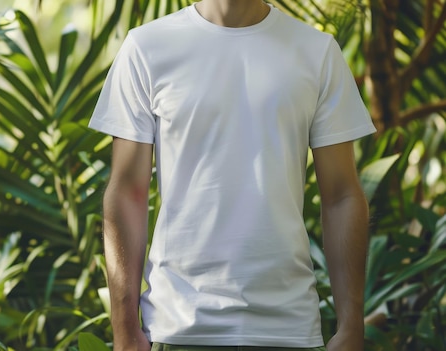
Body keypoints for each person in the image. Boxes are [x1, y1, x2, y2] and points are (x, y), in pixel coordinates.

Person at [88, 0, 376, 350]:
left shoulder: (317, 51)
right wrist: (124, 330)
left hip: (288, 328)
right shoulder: (146, 48)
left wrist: (351, 327)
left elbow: (342, 194)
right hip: (178, 326)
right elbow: (127, 192)